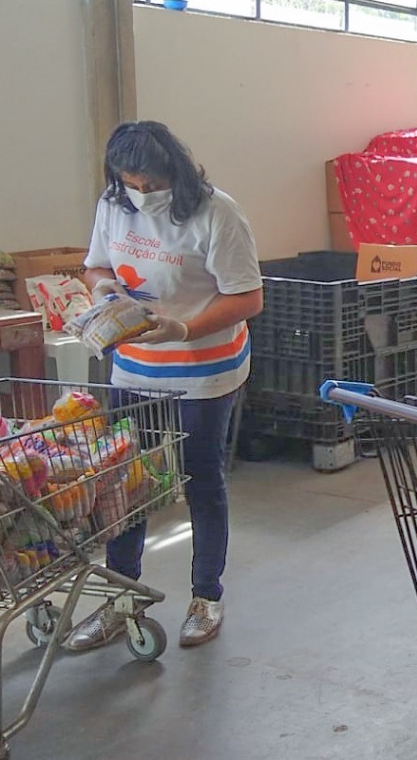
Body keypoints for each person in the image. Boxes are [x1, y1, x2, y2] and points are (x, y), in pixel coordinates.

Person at [66, 121, 263, 649]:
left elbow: (247, 297)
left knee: (200, 477)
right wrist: (104, 288)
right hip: (135, 367)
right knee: (126, 484)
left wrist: (183, 328)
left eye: (152, 185)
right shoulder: (114, 204)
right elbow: (95, 266)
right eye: (132, 184)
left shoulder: (217, 213)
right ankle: (121, 595)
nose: (142, 195)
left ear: (174, 172)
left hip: (204, 367)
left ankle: (206, 595)